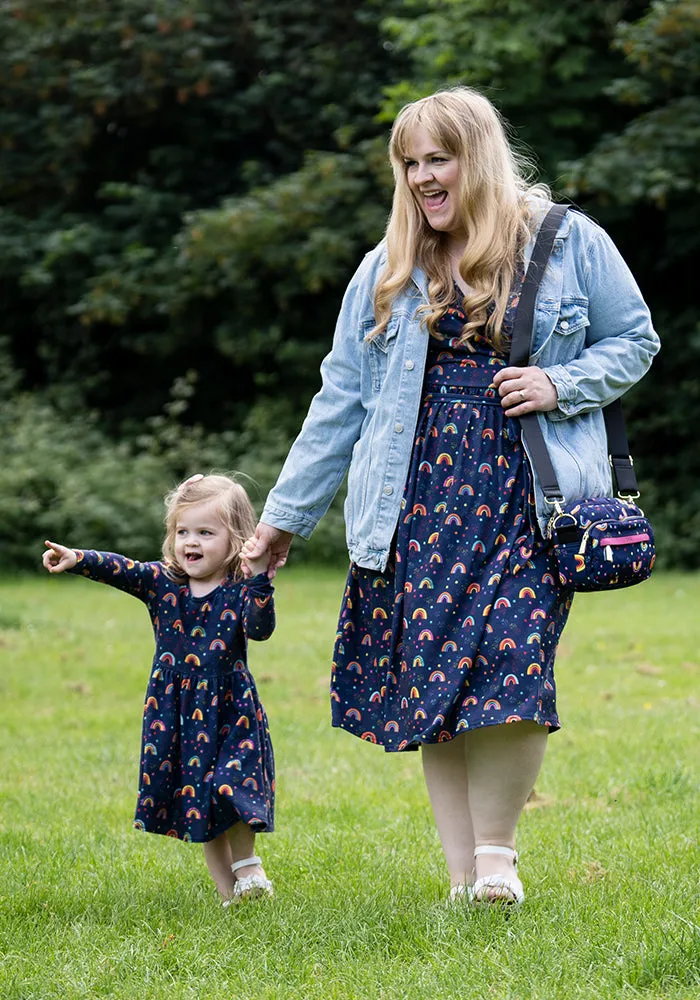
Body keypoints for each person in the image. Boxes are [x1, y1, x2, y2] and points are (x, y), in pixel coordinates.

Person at [242, 87, 660, 905]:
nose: (423, 177)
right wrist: (282, 520)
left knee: (513, 663)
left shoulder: (568, 242)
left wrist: (560, 381)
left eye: (439, 158)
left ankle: (498, 857)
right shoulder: (387, 267)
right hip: (416, 504)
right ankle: (465, 878)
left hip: (530, 499)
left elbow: (635, 336)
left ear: (479, 157)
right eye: (409, 163)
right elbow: (339, 403)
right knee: (438, 684)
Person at [42, 473, 277, 906]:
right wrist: (78, 557)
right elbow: (121, 569)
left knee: (233, 782)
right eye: (183, 531)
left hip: (231, 708)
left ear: (237, 539)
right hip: (178, 714)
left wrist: (260, 578)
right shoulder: (162, 583)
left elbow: (261, 630)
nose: (191, 542)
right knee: (201, 799)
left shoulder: (240, 590)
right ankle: (230, 899)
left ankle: (246, 866)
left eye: (206, 533)